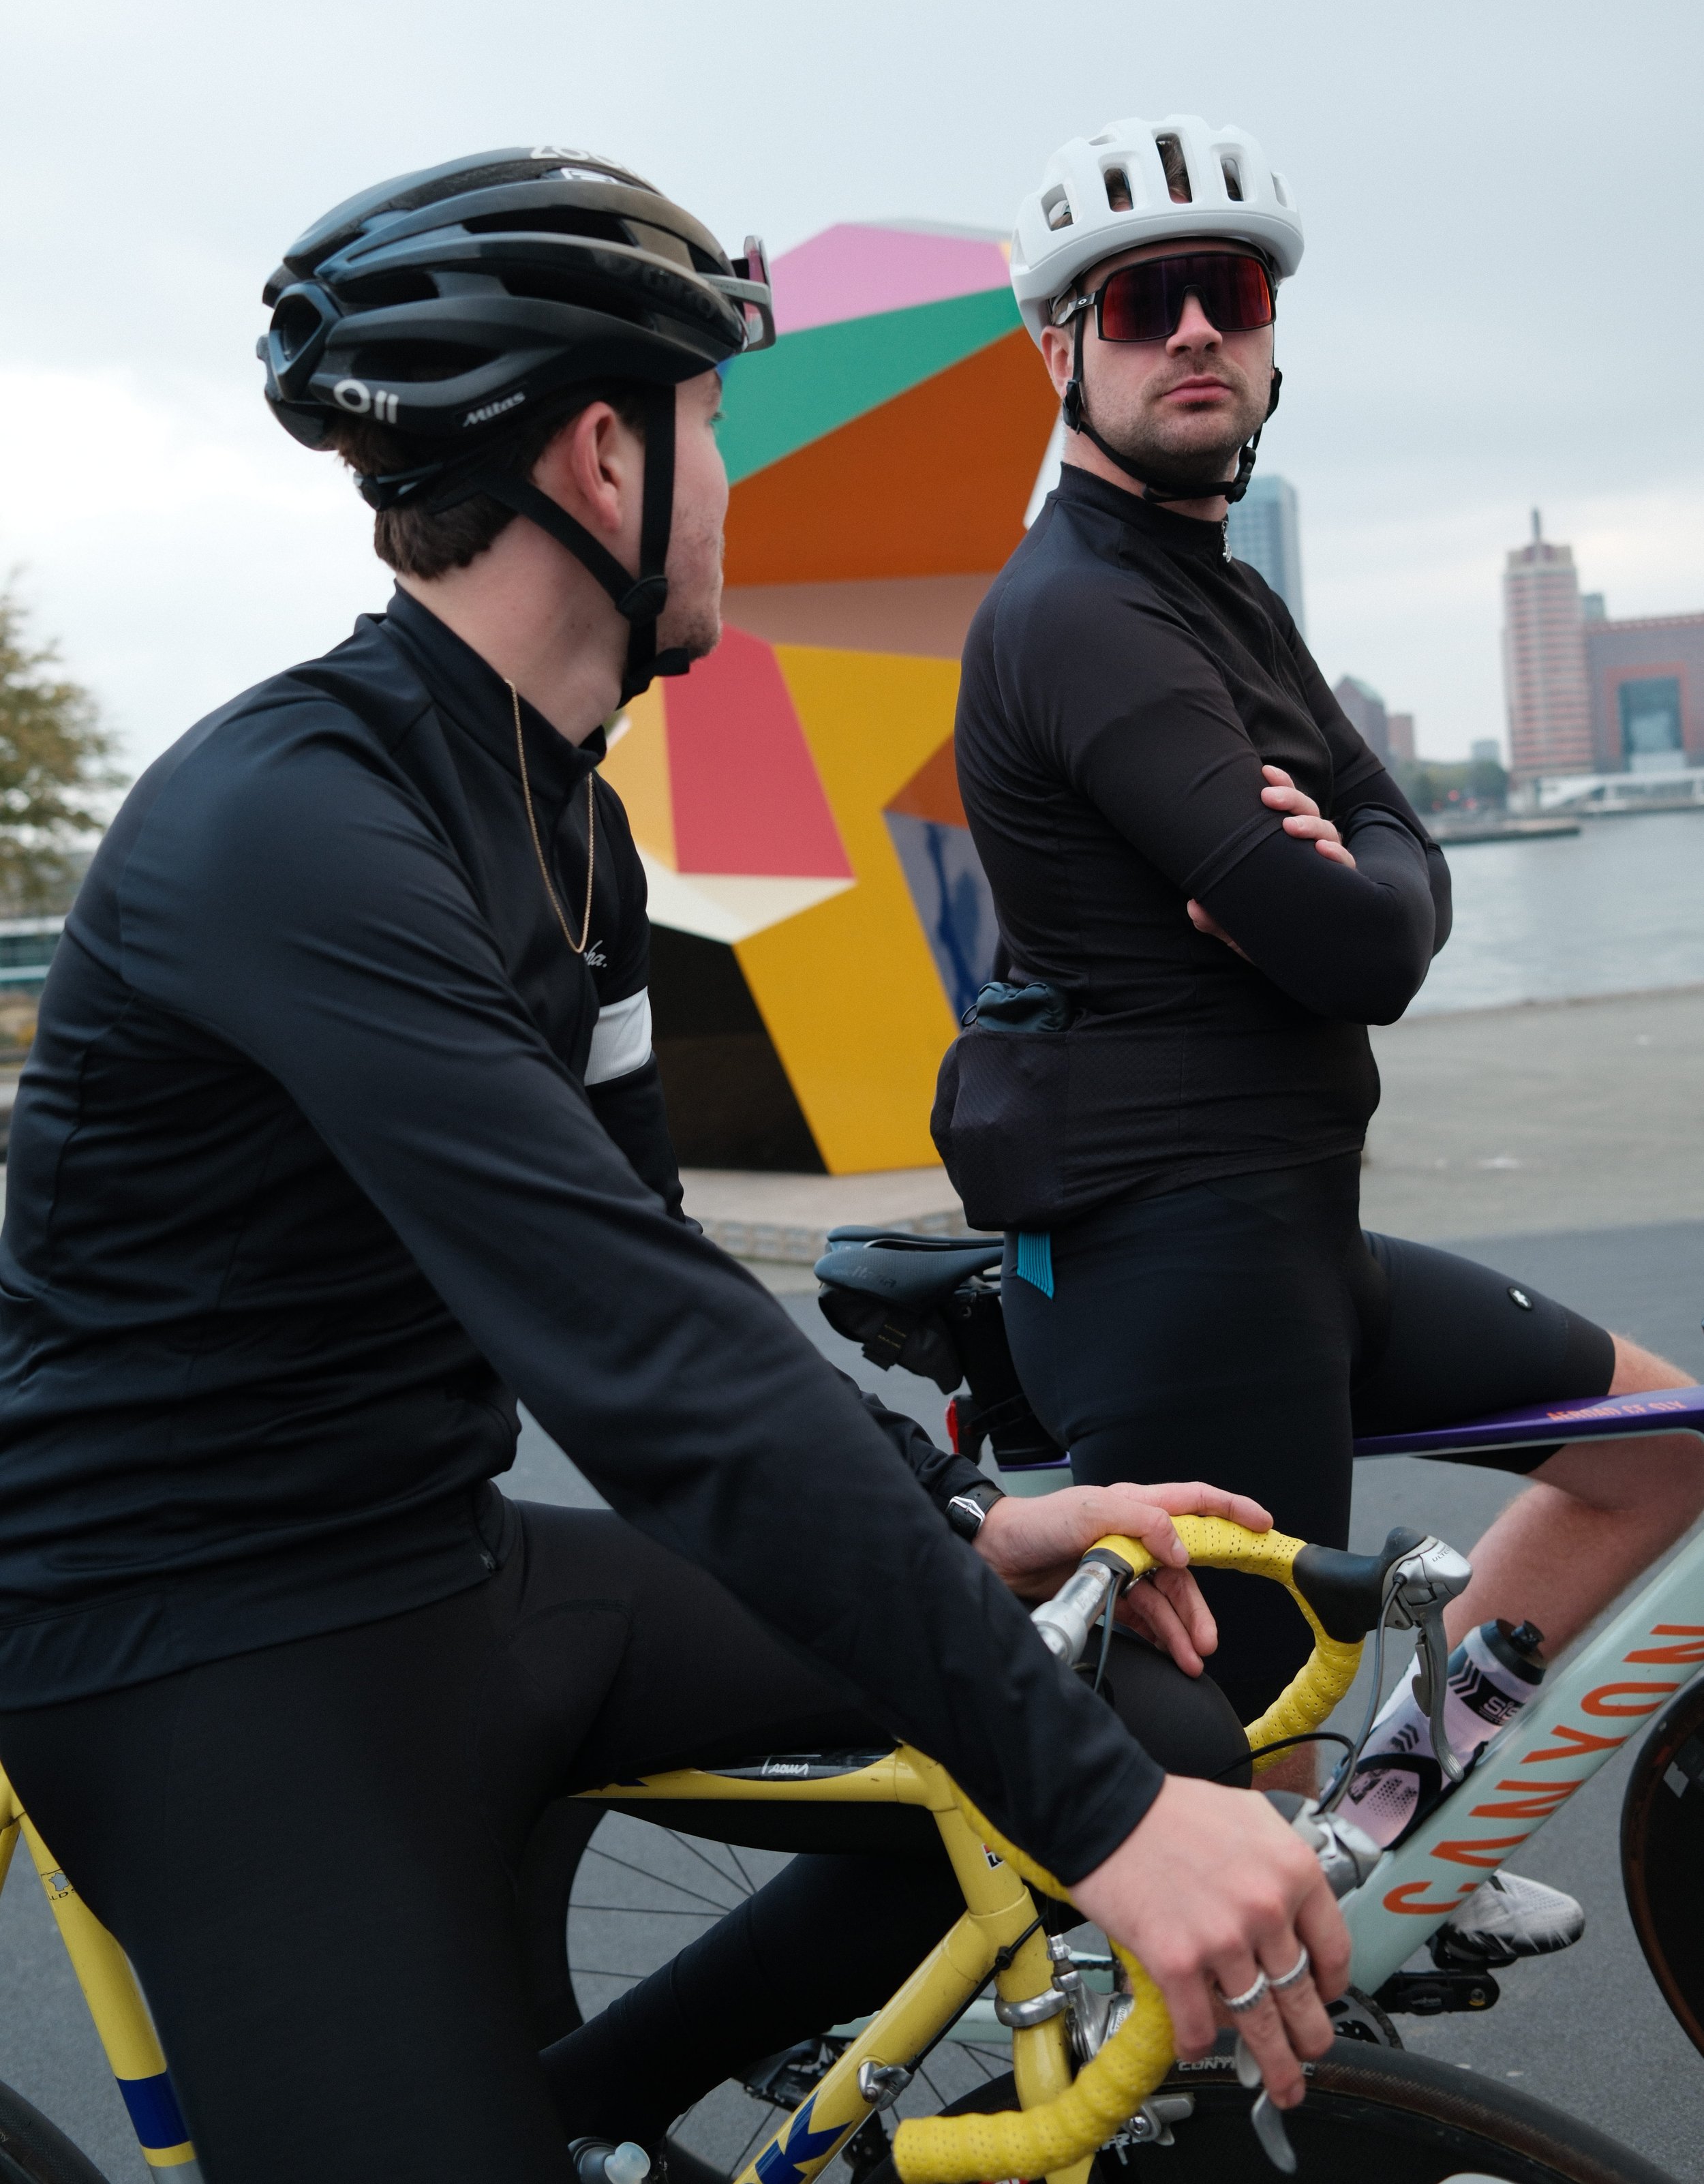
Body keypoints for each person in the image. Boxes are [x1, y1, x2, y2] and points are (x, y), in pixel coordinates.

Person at [0, 149, 1351, 2184]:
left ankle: (591, 2125)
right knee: (1094, 1778)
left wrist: (962, 1526)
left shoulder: (570, 833)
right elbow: (626, 1349)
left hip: (445, 1566)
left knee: (1149, 1721)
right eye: (717, 428)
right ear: (605, 464)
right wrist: (1102, 1828)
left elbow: (649, 1254)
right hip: (190, 1641)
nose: (734, 487)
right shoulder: (292, 832)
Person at [941, 111, 1704, 1929]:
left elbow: (1392, 882)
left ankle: (1394, 1836)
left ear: (1271, 334)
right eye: (1141, 304)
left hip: (1289, 1235)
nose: (1192, 332)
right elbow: (1357, 947)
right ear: (1062, 351)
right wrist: (1347, 885)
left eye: (1227, 293)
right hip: (1179, 1270)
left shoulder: (1217, 595)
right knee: (1225, 1823)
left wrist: (1358, 865)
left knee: (1653, 1447)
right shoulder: (1080, 622)